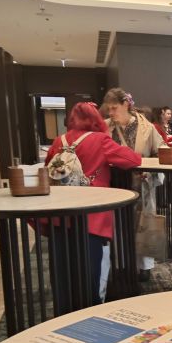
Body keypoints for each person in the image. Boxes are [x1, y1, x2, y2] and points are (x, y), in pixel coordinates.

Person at [44, 102, 141, 307]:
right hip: (91, 216)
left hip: (61, 214)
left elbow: (48, 169)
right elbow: (132, 160)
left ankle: (63, 312)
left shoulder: (59, 140)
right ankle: (88, 311)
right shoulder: (100, 140)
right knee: (90, 273)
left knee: (62, 271)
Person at [103, 87, 165, 281]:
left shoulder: (147, 127)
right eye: (108, 109)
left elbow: (160, 152)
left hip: (141, 182)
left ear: (125, 104)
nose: (110, 112)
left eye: (114, 108)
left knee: (144, 223)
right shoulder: (105, 127)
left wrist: (150, 171)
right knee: (118, 225)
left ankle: (144, 266)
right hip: (115, 184)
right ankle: (121, 264)